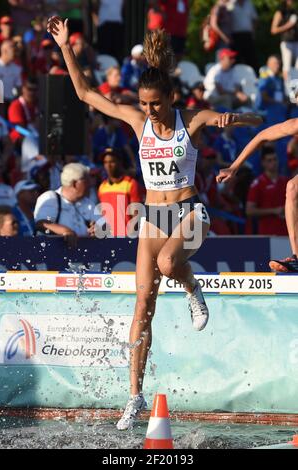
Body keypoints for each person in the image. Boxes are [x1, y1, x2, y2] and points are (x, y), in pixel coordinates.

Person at [47, 16, 262, 429]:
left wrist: (236, 120)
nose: (149, 110)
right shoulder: (138, 121)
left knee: (168, 265)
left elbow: (247, 119)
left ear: (171, 98)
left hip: (190, 213)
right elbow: (86, 93)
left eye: (156, 103)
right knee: (142, 306)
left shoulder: (191, 120)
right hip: (152, 217)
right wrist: (65, 47)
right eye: (144, 103)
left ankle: (193, 287)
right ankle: (135, 397)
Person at [217, 98, 298, 272]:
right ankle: (297, 257)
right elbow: (262, 136)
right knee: (292, 187)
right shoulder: (295, 124)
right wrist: (234, 167)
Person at [34, 162, 105, 246]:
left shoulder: (88, 203)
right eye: (87, 180)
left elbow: (105, 230)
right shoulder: (51, 198)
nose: (90, 183)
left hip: (83, 257)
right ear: (74, 184)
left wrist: (99, 230)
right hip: (52, 256)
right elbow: (42, 224)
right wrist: (66, 231)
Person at [98, 148, 144, 237]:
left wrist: (130, 235)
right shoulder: (102, 187)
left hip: (126, 238)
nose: (108, 165)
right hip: (108, 237)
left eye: (112, 162)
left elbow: (137, 215)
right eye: (105, 162)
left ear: (120, 162)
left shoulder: (131, 184)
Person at [246, 147, 288, 236]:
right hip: (268, 234)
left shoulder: (286, 182)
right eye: (269, 160)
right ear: (263, 163)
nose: (274, 163)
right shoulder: (257, 183)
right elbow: (249, 210)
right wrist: (274, 211)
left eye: (275, 159)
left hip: (287, 233)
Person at [271, 0, 298, 81]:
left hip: (296, 41)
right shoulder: (280, 12)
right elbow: (273, 30)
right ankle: (287, 88)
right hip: (286, 42)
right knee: (287, 66)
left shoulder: (294, 12)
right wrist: (288, 25)